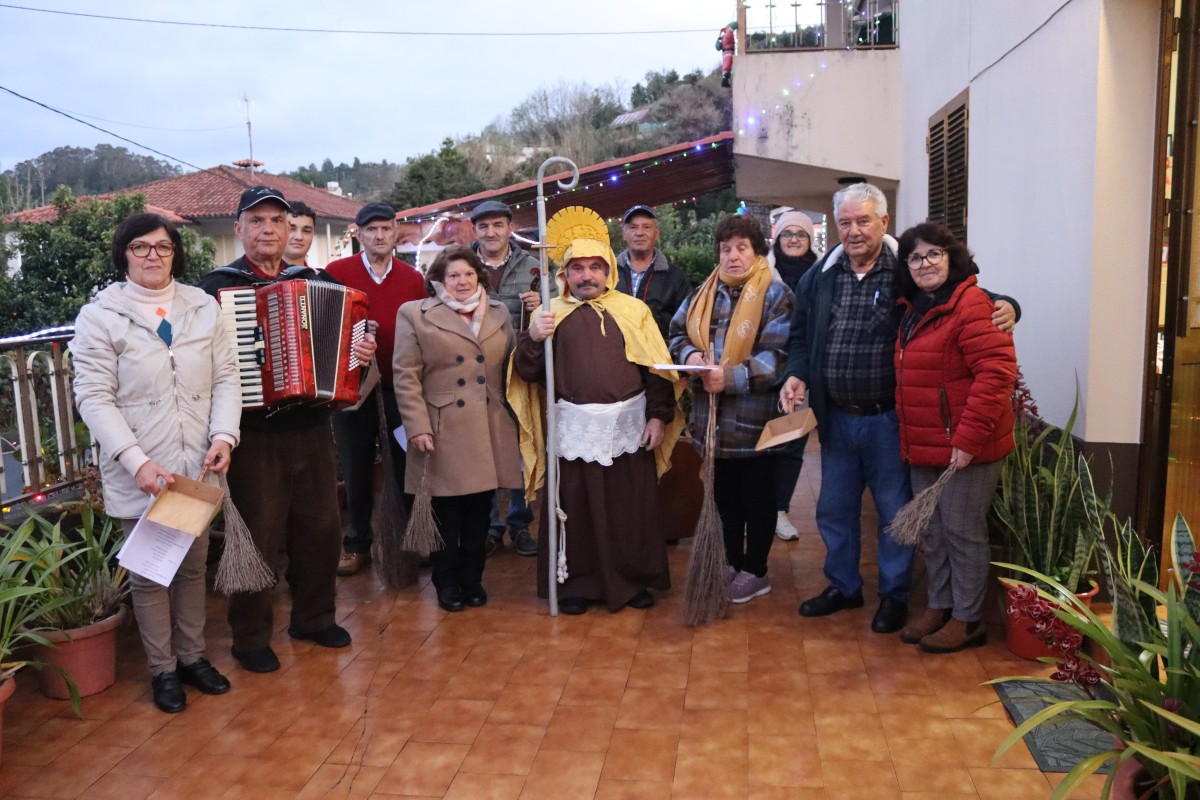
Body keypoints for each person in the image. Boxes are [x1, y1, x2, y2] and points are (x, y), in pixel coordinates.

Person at [779, 182, 1018, 634]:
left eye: (863, 221)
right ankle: (844, 586)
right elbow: (801, 335)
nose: (854, 231)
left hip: (891, 419)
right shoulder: (819, 276)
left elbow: (961, 293)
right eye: (845, 222)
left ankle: (894, 594)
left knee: (895, 512)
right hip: (837, 417)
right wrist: (797, 373)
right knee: (834, 509)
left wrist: (1009, 306)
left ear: (884, 221)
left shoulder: (905, 268)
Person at [198, 185, 377, 673]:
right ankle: (251, 636)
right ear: (239, 229)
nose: (268, 230)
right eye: (257, 221)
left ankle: (314, 618)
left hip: (313, 427)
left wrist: (359, 352)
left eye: (277, 220)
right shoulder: (216, 289)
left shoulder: (314, 280)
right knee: (257, 534)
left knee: (321, 529)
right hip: (251, 432)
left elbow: (349, 350)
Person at [71, 212, 241, 713]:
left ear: (175, 254)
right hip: (146, 472)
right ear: (124, 253)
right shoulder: (101, 316)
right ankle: (162, 670)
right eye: (140, 247)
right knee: (149, 575)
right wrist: (135, 461)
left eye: (162, 247)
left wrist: (224, 435)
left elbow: (226, 377)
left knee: (191, 567)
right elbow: (94, 398)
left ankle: (193, 658)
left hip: (196, 467)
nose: (152, 255)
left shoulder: (203, 307)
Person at [508, 223, 683, 614]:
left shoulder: (633, 310)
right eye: (578, 268)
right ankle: (575, 585)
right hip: (574, 431)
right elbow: (527, 372)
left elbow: (655, 369)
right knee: (576, 511)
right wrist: (533, 337)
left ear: (608, 271)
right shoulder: (550, 315)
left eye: (595, 267)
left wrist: (658, 417)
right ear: (565, 274)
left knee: (627, 510)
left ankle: (631, 582)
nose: (586, 275)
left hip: (627, 429)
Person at [892, 223, 1016, 652]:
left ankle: (968, 619)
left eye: (934, 254)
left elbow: (996, 374)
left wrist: (968, 439)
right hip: (924, 443)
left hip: (967, 446)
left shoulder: (972, 304)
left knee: (963, 532)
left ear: (952, 257)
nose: (924, 263)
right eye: (915, 257)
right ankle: (940, 605)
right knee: (933, 533)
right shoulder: (913, 307)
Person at [669, 214, 793, 604]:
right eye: (726, 249)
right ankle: (730, 562)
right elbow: (676, 334)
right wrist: (690, 356)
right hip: (713, 421)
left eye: (742, 248)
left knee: (758, 498)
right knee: (725, 498)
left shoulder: (775, 294)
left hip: (757, 421)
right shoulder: (704, 292)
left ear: (757, 252)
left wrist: (730, 378)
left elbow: (777, 358)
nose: (733, 256)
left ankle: (756, 570)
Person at [392, 245, 520, 612]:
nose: (462, 281)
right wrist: (417, 426)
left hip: (488, 424)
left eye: (468, 274)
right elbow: (405, 375)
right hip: (441, 427)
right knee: (447, 515)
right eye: (453, 275)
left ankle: (473, 580)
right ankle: (446, 582)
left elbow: (513, 366)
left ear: (479, 277)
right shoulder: (415, 314)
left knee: (480, 513)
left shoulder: (499, 313)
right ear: (438, 280)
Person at [324, 202, 426, 576]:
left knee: (405, 463)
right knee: (356, 467)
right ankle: (357, 543)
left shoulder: (413, 278)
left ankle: (410, 540)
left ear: (396, 232)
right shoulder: (337, 273)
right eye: (371, 229)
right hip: (352, 390)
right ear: (359, 234)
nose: (379, 236)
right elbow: (325, 327)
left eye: (386, 228)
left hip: (401, 388)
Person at [469, 199, 546, 557]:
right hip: (475, 374)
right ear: (475, 230)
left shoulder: (534, 265)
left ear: (509, 227)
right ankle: (488, 526)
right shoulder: (462, 266)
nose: (491, 232)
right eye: (483, 226)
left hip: (519, 372)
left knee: (520, 448)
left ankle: (519, 523)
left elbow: (557, 307)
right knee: (481, 450)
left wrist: (541, 305)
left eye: (498, 225)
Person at [768, 210, 819, 542]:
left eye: (801, 234)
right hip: (765, 372)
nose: (794, 239)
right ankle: (756, 508)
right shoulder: (763, 272)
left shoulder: (822, 273)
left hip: (805, 372)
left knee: (791, 442)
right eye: (788, 233)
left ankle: (779, 510)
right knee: (762, 443)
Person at [614, 205, 693, 339]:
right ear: (624, 234)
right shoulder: (607, 273)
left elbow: (687, 323)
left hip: (660, 350)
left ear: (657, 234)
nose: (639, 233)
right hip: (615, 350)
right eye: (633, 227)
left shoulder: (675, 277)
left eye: (646, 227)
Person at [283, 200, 316, 267]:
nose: (299, 237)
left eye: (306, 231)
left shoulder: (319, 274)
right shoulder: (261, 273)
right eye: (291, 229)